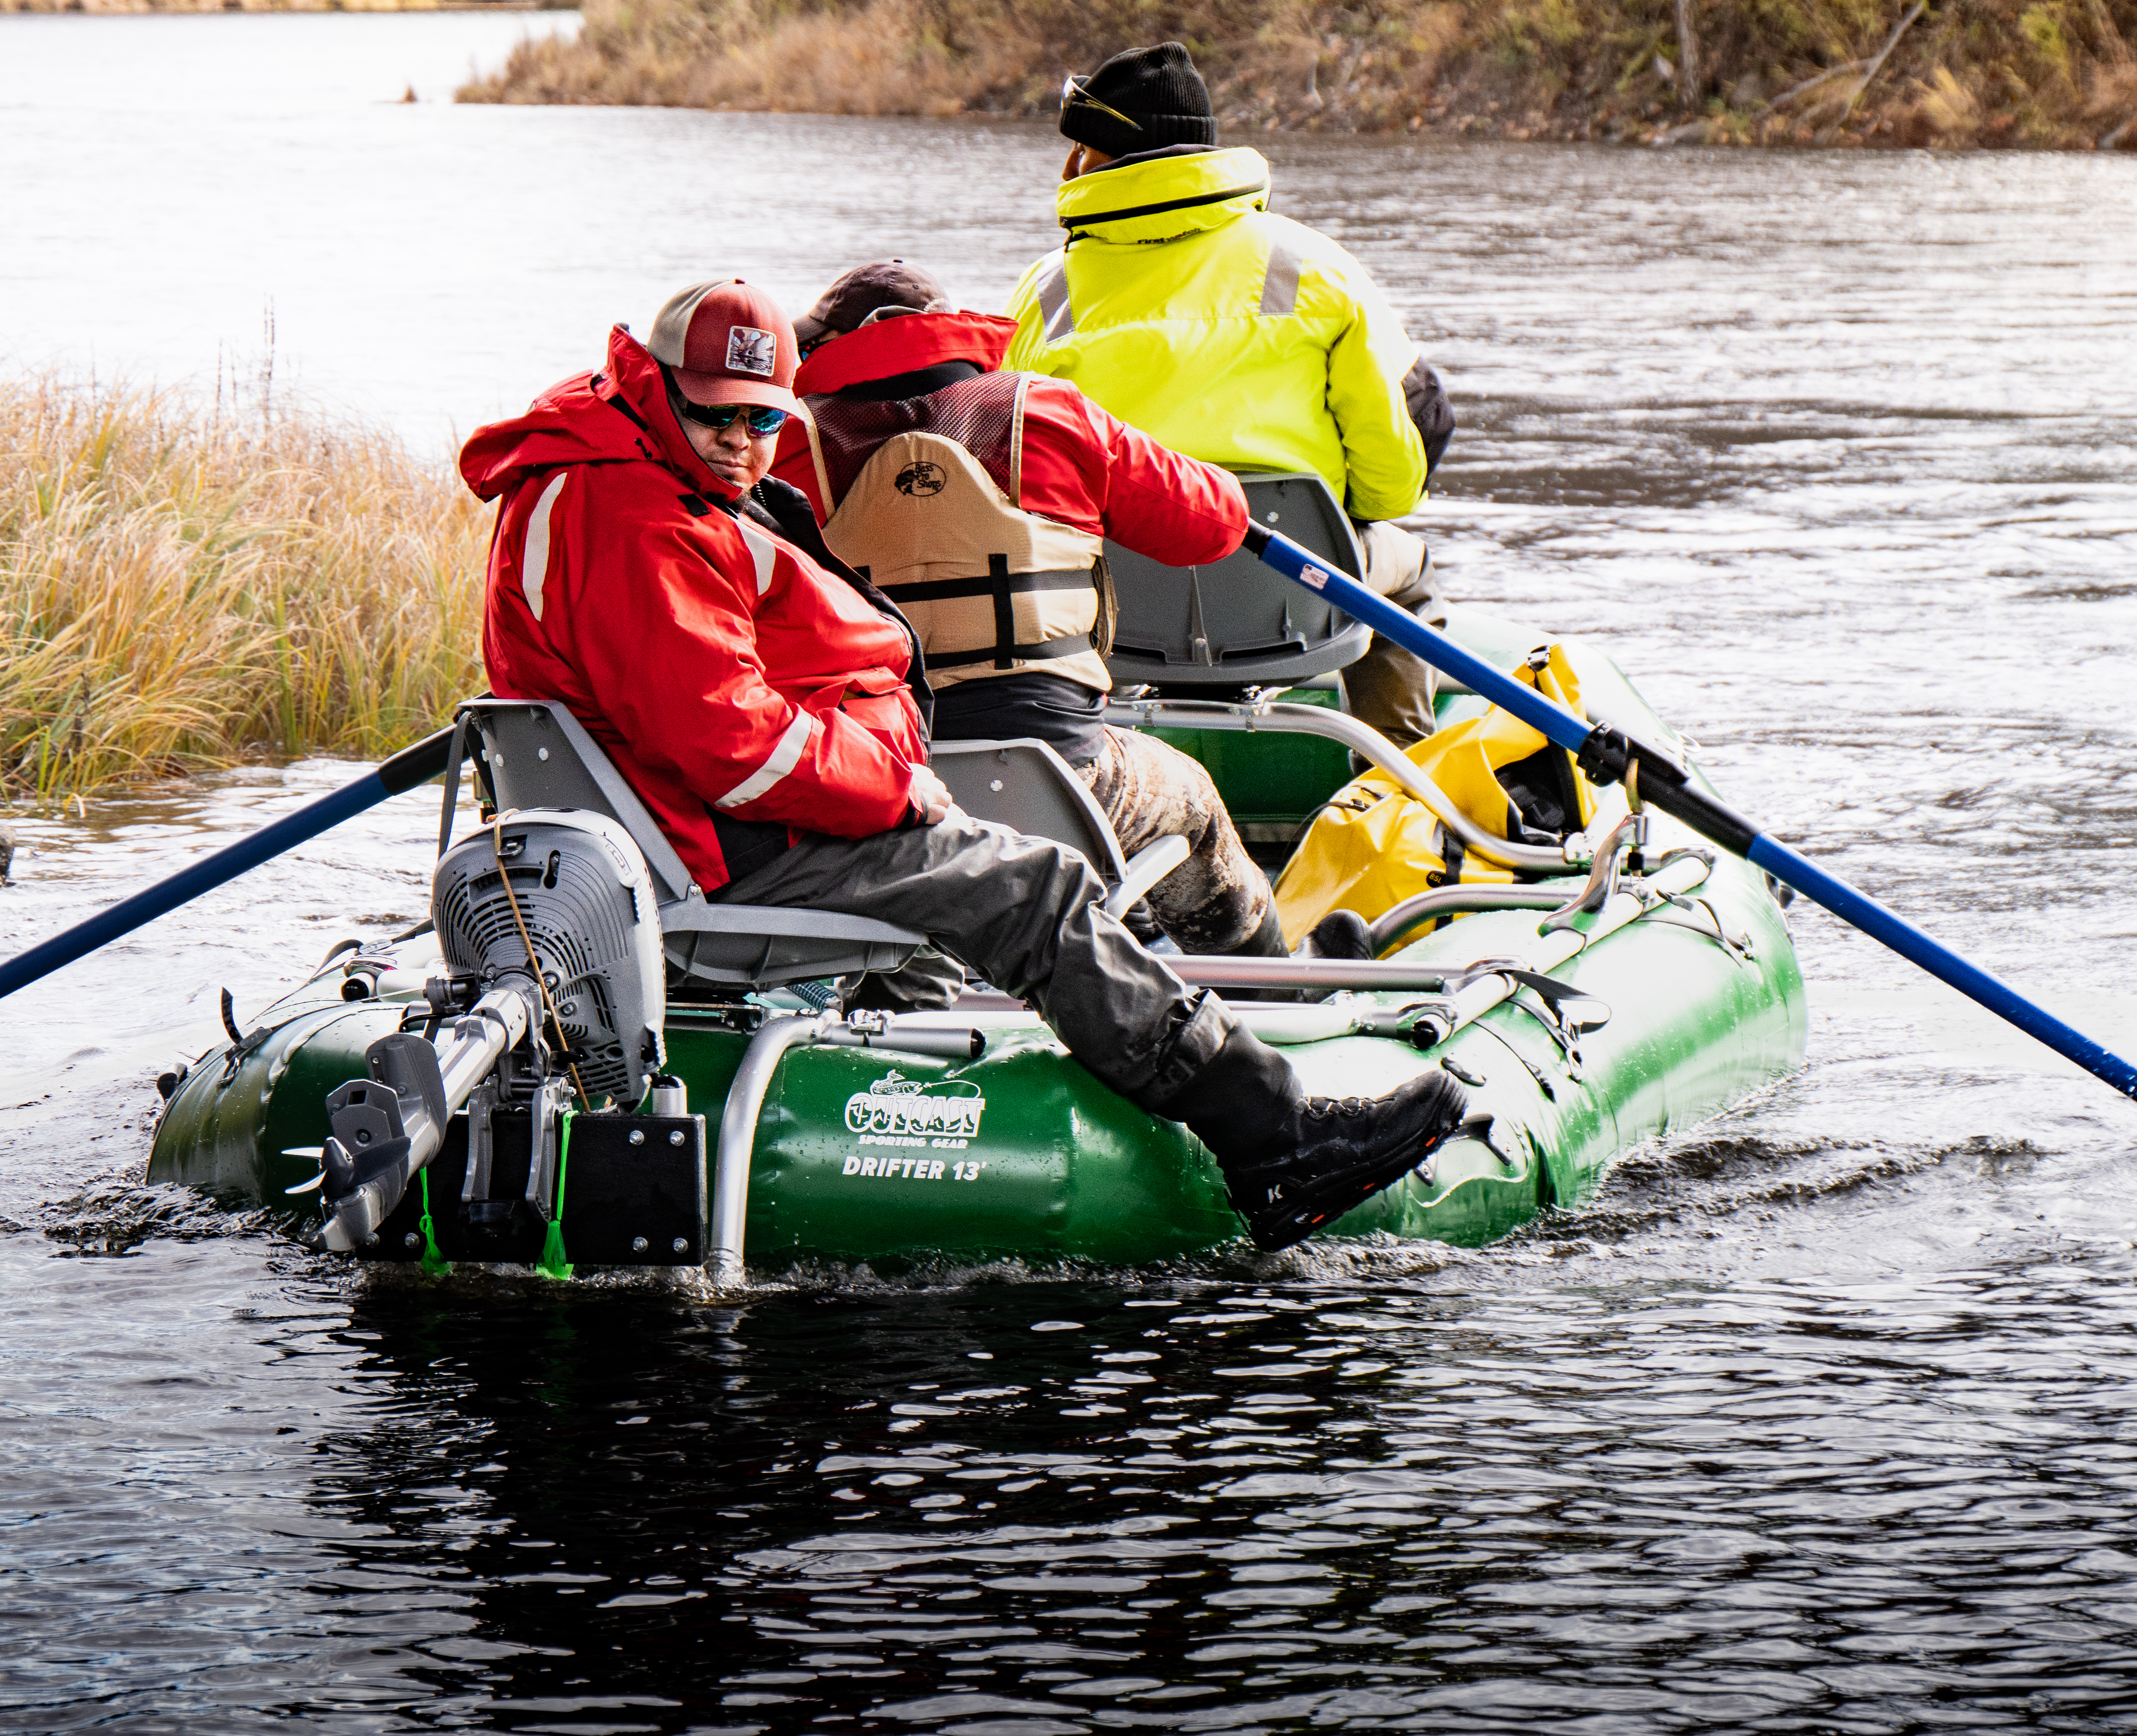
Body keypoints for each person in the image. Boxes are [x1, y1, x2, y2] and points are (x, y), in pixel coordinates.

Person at [457, 276, 1462, 1252]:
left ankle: (906, 1109)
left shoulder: (614, 470)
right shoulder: (637, 520)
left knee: (962, 885)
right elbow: (740, 745)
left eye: (761, 420)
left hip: (660, 825)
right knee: (1036, 888)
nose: (741, 444)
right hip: (721, 840)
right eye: (714, 415)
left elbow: (706, 706)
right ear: (655, 385)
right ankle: (1273, 1135)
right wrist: (896, 785)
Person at [774, 256, 1287, 964]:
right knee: (1190, 800)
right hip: (1061, 774)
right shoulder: (1048, 410)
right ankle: (1275, 982)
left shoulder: (776, 449)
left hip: (870, 785)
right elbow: (1217, 523)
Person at [1002, 40, 1460, 748]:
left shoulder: (1045, 293)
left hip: (1121, 609)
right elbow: (1391, 487)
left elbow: (1018, 476)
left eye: (1079, 148)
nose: (1068, 166)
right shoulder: (1312, 265)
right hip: (1300, 590)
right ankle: (1399, 787)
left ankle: (1087, 772)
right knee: (1411, 570)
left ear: (1098, 159)